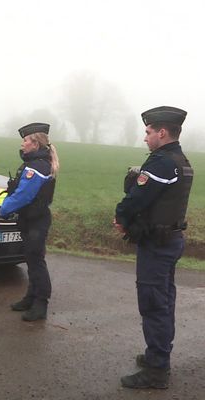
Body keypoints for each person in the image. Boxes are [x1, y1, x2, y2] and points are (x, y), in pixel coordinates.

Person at [115, 106, 193, 389]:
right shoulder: (180, 160)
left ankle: (157, 369)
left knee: (153, 303)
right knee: (164, 300)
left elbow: (138, 198)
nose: (145, 137)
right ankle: (156, 356)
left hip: (158, 246)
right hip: (170, 240)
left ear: (162, 132)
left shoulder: (161, 162)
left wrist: (121, 216)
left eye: (148, 132)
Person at [0, 123, 59, 321]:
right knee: (32, 260)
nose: (23, 144)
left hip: (36, 220)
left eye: (25, 140)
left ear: (35, 143)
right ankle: (31, 297)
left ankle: (40, 303)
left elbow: (24, 195)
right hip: (31, 219)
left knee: (36, 262)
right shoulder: (36, 162)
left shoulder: (37, 166)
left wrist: (5, 209)